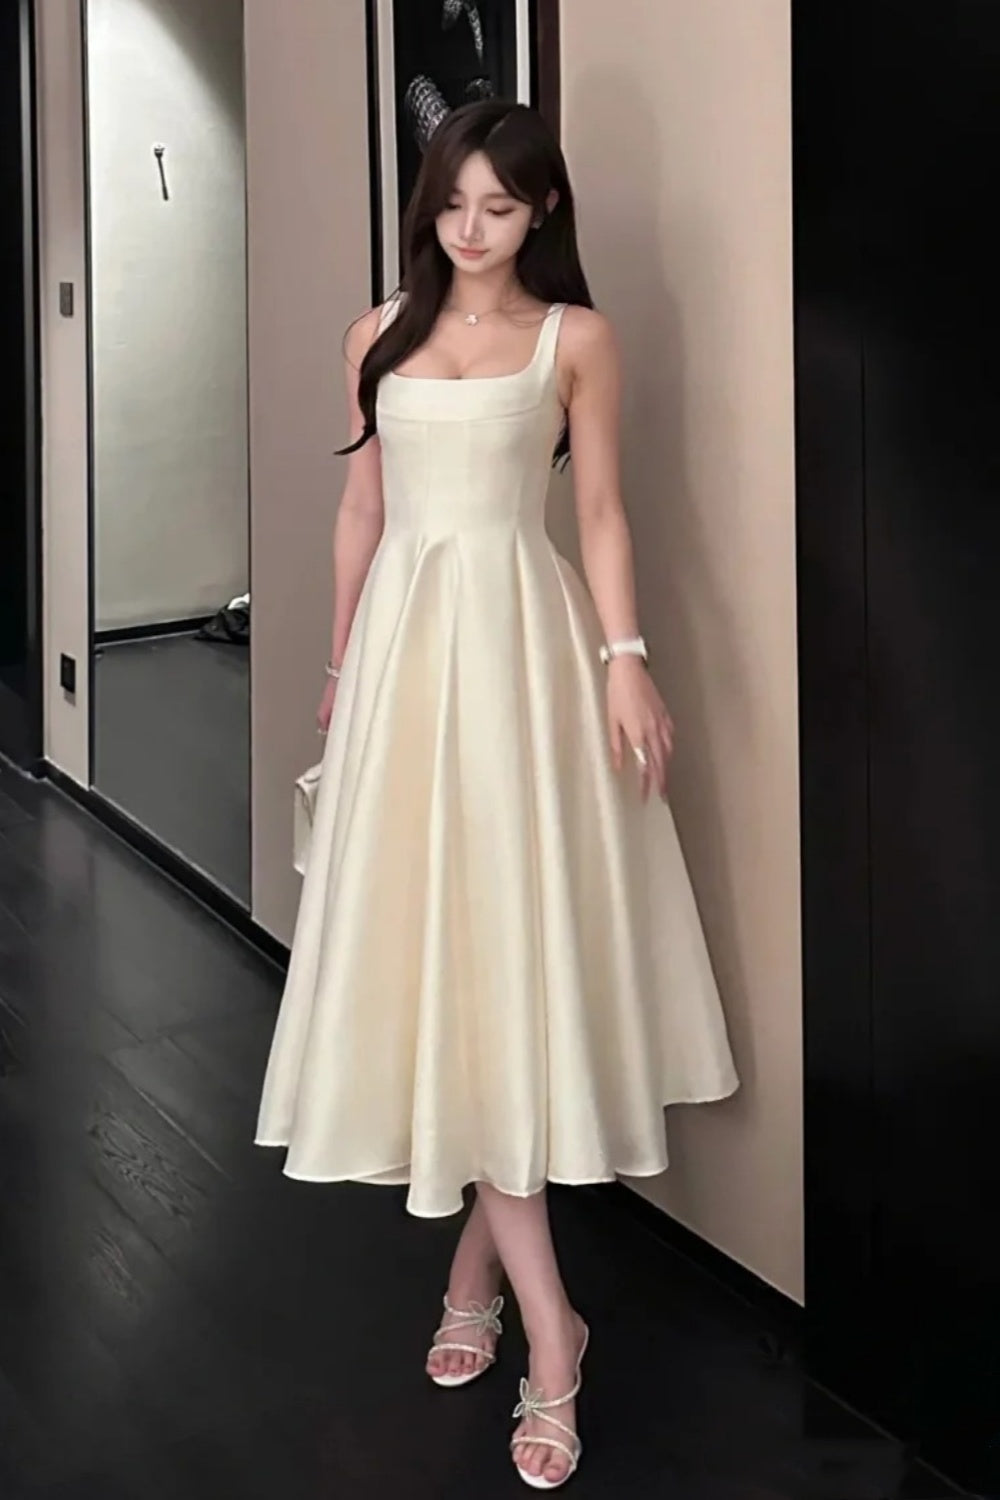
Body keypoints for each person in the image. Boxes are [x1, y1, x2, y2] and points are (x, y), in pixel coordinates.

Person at [255, 99, 739, 1490]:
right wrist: (338, 670)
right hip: (406, 662)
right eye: (454, 203)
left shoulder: (576, 340)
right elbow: (362, 513)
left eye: (501, 207)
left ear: (543, 214)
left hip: (526, 659)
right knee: (445, 954)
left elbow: (602, 514)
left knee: (510, 954)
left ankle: (539, 1331)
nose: (472, 229)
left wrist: (627, 663)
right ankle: (536, 1313)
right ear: (431, 207)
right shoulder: (375, 336)